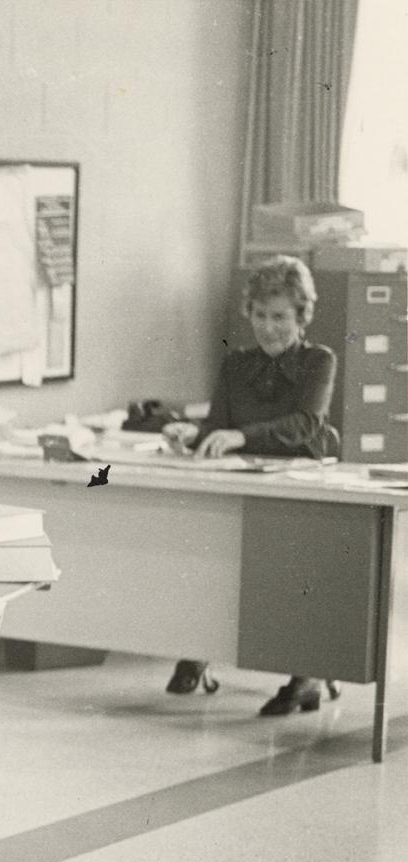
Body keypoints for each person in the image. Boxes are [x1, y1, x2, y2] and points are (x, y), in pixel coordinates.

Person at [161, 255, 340, 715]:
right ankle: (201, 646)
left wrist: (241, 436)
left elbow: (305, 424)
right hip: (242, 488)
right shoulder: (236, 365)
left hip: (300, 490)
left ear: (301, 317)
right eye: (259, 315)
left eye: (279, 316)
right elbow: (218, 426)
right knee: (205, 551)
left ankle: (307, 674)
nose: (268, 327)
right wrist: (190, 434)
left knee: (293, 571)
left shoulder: (318, 361)